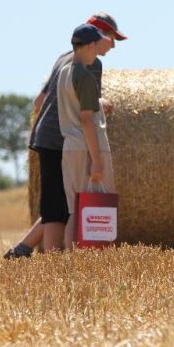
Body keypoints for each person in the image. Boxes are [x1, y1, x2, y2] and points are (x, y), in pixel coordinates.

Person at [4, 13, 126, 258]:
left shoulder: (64, 60)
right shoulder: (92, 66)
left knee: (57, 203)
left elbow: (39, 101)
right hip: (66, 141)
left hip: (47, 136)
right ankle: (51, 258)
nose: (113, 45)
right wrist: (101, 103)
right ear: (98, 36)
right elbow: (87, 112)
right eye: (112, 38)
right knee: (65, 207)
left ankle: (23, 249)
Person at [59, 24, 117, 248]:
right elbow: (87, 119)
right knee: (99, 206)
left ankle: (73, 262)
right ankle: (96, 261)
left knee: (75, 209)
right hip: (88, 147)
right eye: (97, 45)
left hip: (70, 147)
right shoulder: (84, 76)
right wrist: (97, 160)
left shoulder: (64, 72)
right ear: (91, 45)